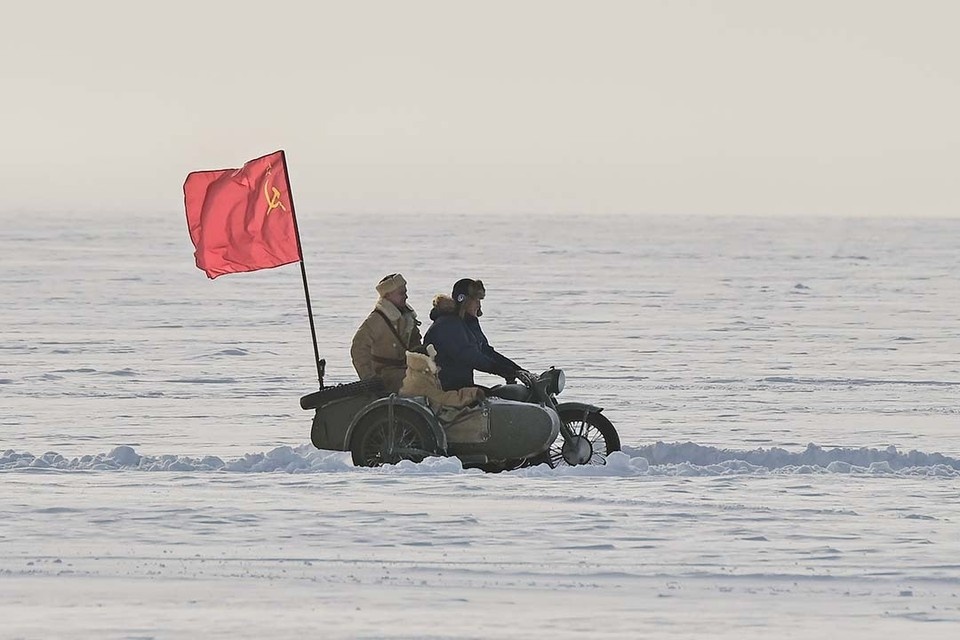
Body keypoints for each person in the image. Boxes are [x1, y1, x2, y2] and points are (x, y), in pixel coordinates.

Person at [422, 278, 524, 391]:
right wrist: (501, 370)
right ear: (463, 300)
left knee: (509, 393)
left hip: (462, 385)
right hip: (445, 388)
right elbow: (470, 356)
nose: (479, 305)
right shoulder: (448, 325)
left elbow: (486, 351)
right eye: (476, 300)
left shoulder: (468, 323)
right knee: (499, 395)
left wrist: (517, 370)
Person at [351, 273, 422, 393]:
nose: (406, 296)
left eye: (405, 292)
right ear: (388, 295)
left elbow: (415, 344)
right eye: (401, 293)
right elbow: (358, 347)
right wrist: (369, 379)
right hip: (385, 375)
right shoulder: (377, 320)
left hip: (406, 369)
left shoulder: (407, 316)